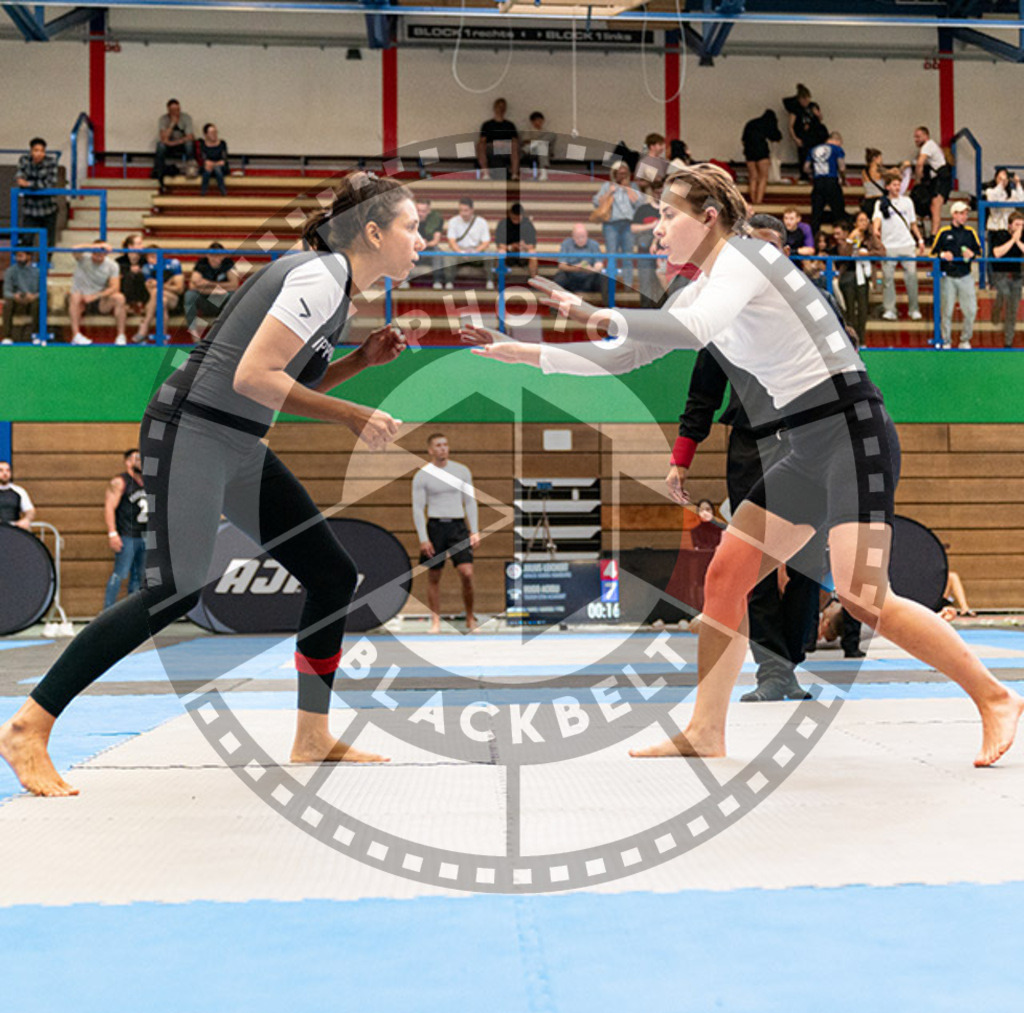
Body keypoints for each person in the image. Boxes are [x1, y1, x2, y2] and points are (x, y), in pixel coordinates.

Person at [464, 162, 1023, 768]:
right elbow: (624, 357)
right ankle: (707, 729)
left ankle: (995, 697)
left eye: (667, 215)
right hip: (803, 444)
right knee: (726, 577)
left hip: (852, 432)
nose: (655, 229)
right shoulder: (697, 287)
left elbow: (692, 329)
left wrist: (592, 312)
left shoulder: (748, 257)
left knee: (863, 595)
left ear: (708, 219)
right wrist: (528, 353)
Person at [0, 171, 421, 796]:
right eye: (413, 227)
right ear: (374, 231)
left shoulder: (335, 292)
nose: (422, 240)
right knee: (174, 590)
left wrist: (361, 363)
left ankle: (310, 736)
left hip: (238, 441)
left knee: (331, 575)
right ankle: (28, 726)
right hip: (192, 431)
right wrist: (355, 416)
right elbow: (255, 376)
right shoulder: (317, 276)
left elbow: (273, 391)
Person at [672, 213, 821, 702]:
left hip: (808, 437)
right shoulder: (723, 307)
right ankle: (772, 672)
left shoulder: (812, 302)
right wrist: (682, 457)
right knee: (749, 557)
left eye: (772, 248)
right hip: (750, 444)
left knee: (807, 558)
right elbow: (701, 393)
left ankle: (791, 657)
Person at [412, 433, 480, 634]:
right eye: (438, 446)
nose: (443, 448)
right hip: (435, 527)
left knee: (467, 573)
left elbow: (470, 501)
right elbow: (417, 508)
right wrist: (423, 539)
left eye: (445, 445)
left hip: (458, 527)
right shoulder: (422, 475)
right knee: (434, 575)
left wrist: (474, 530)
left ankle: (470, 618)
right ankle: (435, 621)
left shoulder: (461, 471)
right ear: (430, 450)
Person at [873, 170, 926, 322]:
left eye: (899, 184)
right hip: (889, 246)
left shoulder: (907, 202)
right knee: (888, 279)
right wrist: (876, 229)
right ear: (888, 186)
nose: (897, 187)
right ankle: (890, 309)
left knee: (911, 277)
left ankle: (914, 308)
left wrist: (920, 240)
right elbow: (877, 219)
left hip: (907, 245)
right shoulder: (880, 203)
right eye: (894, 185)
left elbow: (913, 223)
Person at [931, 200, 982, 350]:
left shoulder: (970, 233)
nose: (965, 216)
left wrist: (971, 254)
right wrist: (943, 254)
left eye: (966, 214)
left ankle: (965, 339)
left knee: (971, 310)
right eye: (961, 213)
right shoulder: (943, 232)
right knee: (946, 311)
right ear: (954, 214)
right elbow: (932, 253)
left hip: (966, 276)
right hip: (948, 277)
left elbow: (980, 254)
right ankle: (945, 340)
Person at [102, 449, 149, 610]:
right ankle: (107, 611)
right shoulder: (120, 482)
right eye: (137, 459)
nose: (141, 462)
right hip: (127, 535)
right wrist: (112, 533)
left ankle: (133, 613)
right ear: (128, 462)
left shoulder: (148, 481)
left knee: (139, 577)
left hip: (145, 535)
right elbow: (109, 507)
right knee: (120, 573)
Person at [837, 211, 884, 347]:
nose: (863, 223)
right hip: (848, 275)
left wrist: (868, 253)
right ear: (855, 223)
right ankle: (852, 340)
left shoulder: (871, 238)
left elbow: (882, 252)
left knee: (863, 310)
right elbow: (844, 254)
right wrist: (851, 239)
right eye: (861, 220)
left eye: (866, 220)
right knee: (850, 310)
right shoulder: (849, 236)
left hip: (864, 277)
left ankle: (862, 340)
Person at [68, 240, 128, 346]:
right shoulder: (83, 258)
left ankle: (121, 336)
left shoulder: (112, 265)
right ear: (92, 251)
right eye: (96, 251)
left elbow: (115, 287)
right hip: (79, 298)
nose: (99, 254)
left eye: (102, 251)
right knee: (75, 295)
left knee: (120, 298)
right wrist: (95, 246)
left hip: (98, 299)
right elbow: (75, 249)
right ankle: (76, 335)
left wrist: (95, 296)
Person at [592, 162, 642, 281]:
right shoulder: (607, 185)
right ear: (614, 174)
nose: (622, 176)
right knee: (611, 255)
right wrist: (610, 191)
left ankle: (628, 284)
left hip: (628, 225)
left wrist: (628, 189)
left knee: (627, 256)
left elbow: (640, 203)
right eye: (620, 174)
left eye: (625, 174)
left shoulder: (633, 186)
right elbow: (596, 202)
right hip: (611, 225)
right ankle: (610, 283)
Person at [184, 241, 241, 339]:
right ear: (207, 255)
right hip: (206, 301)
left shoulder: (228, 263)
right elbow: (192, 286)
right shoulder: (202, 263)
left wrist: (208, 284)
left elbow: (234, 285)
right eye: (212, 255)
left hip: (221, 301)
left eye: (218, 255)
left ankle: (230, 334)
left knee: (233, 295)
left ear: (223, 256)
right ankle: (194, 333)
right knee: (190, 295)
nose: (215, 258)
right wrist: (214, 290)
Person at [133, 245, 186, 343]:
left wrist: (159, 284)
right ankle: (163, 338)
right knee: (161, 300)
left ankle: (144, 326)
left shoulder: (173, 264)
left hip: (174, 300)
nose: (154, 259)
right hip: (158, 301)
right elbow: (150, 291)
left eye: (155, 255)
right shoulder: (147, 268)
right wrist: (169, 283)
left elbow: (179, 289)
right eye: (150, 257)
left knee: (157, 292)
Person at [15, 138, 60, 252]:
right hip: (30, 208)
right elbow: (20, 179)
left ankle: (47, 265)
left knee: (49, 241)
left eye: (42, 151)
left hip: (48, 208)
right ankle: (26, 265)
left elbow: (50, 183)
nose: (39, 153)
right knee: (26, 239)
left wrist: (29, 184)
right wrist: (34, 185)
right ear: (31, 151)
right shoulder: (24, 160)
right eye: (36, 150)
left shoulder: (51, 162)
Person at [989, 208, 1024, 348]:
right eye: (1017, 225)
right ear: (1009, 225)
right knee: (1004, 293)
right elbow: (997, 253)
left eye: (1022, 225)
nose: (1020, 228)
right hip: (1000, 274)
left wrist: (1018, 241)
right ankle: (996, 311)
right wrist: (1013, 240)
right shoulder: (1001, 234)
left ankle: (1008, 341)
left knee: (1012, 309)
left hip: (1017, 275)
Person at [443, 197, 492, 290]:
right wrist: (460, 252)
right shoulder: (453, 221)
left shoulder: (482, 222)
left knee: (489, 254)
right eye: (461, 210)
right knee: (448, 254)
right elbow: (451, 241)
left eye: (466, 210)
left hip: (476, 251)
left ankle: (490, 281)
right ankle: (449, 282)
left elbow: (486, 242)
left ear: (472, 210)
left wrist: (475, 251)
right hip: (459, 251)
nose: (463, 213)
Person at [913, 126, 952, 241]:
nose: (916, 139)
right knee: (932, 207)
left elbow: (920, 164)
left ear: (926, 136)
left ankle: (934, 235)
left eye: (918, 136)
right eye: (915, 137)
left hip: (942, 178)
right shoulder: (929, 146)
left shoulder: (928, 145)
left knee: (935, 206)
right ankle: (935, 233)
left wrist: (917, 181)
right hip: (936, 179)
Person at [806, 131, 847, 237]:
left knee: (816, 214)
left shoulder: (813, 149)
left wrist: (813, 174)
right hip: (832, 182)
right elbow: (842, 167)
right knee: (839, 212)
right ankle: (841, 237)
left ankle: (815, 239)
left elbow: (806, 168)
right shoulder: (837, 149)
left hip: (818, 183)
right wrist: (843, 179)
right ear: (838, 141)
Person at [783, 84, 827, 180]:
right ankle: (805, 176)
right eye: (803, 100)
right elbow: (790, 126)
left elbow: (820, 120)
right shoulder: (795, 109)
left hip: (815, 136)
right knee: (804, 157)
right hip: (803, 137)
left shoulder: (813, 106)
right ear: (799, 99)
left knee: (818, 157)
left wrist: (818, 114)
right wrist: (795, 138)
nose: (806, 102)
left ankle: (818, 175)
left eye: (807, 99)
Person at [553, 223, 606, 299]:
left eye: (583, 237)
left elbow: (599, 265)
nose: (581, 239)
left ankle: (609, 307)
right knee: (559, 277)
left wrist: (591, 269)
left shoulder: (594, 245)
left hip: (589, 277)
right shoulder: (566, 244)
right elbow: (561, 265)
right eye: (578, 237)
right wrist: (575, 268)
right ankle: (555, 307)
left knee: (604, 278)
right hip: (571, 277)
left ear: (587, 235)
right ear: (573, 236)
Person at [153, 99, 196, 191]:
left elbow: (190, 137)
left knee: (189, 144)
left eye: (177, 110)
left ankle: (191, 170)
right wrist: (172, 124)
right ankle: (159, 174)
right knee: (160, 146)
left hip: (181, 144)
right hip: (168, 145)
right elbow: (163, 138)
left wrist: (174, 142)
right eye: (173, 110)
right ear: (168, 110)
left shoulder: (186, 118)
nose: (176, 112)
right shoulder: (163, 119)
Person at [741, 110, 782, 206]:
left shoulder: (751, 123)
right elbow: (776, 137)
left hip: (749, 152)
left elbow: (743, 140)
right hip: (762, 152)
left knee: (753, 178)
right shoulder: (768, 124)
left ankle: (752, 201)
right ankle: (758, 202)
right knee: (763, 177)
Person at [1, 249, 40, 344]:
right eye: (17, 256)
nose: (18, 259)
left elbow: (43, 291)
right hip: (17, 302)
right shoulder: (10, 271)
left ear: (28, 256)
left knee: (38, 302)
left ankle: (36, 335)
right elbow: (6, 291)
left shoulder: (37, 272)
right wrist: (14, 296)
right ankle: (7, 336)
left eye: (21, 256)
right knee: (7, 303)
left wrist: (34, 296)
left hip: (32, 301)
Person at [477, 97, 519, 181]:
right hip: (491, 147)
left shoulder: (510, 125)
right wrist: (495, 143)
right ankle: (486, 173)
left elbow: (515, 140)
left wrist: (505, 143)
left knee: (514, 146)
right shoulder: (487, 124)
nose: (501, 109)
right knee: (480, 146)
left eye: (503, 107)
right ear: (494, 108)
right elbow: (482, 140)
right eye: (499, 106)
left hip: (506, 147)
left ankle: (514, 174)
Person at [494, 202, 538, 279]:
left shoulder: (528, 224)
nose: (516, 221)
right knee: (500, 252)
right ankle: (500, 281)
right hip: (508, 252)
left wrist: (524, 246)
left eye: (518, 218)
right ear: (510, 214)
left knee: (533, 253)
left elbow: (532, 245)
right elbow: (500, 244)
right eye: (514, 218)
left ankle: (534, 280)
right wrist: (511, 247)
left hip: (523, 253)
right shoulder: (503, 224)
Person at [409, 197, 444, 289]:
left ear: (429, 211)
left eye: (423, 211)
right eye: (418, 210)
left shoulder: (436, 219)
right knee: (404, 250)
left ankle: (437, 281)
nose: (420, 214)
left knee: (438, 252)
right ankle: (405, 281)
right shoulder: (409, 220)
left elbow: (435, 241)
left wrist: (425, 244)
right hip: (414, 249)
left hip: (429, 249)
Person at [116, 233, 150, 316]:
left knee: (140, 275)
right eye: (139, 244)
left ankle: (141, 304)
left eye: (142, 243)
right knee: (129, 275)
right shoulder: (120, 261)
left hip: (141, 289)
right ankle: (130, 304)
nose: (142, 246)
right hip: (125, 289)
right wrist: (127, 270)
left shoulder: (145, 260)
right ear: (130, 246)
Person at [521, 111, 556, 181]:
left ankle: (536, 144)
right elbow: (525, 141)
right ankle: (543, 174)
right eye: (537, 121)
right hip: (532, 151)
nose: (539, 123)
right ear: (532, 122)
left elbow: (551, 144)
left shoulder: (545, 132)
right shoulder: (529, 130)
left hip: (540, 150)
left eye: (540, 121)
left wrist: (536, 141)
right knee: (542, 146)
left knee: (552, 135)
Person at [0, 461, 35, 530]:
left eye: (8, 470)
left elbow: (30, 511)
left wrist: (26, 519)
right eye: (1, 470)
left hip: (15, 532)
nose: (5, 473)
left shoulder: (19, 491)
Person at [199, 123, 229, 197]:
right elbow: (204, 160)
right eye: (212, 133)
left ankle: (223, 192)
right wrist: (212, 164)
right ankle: (203, 193)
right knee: (207, 170)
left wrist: (213, 164)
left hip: (221, 168)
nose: (214, 134)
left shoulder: (222, 143)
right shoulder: (202, 145)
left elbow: (223, 160)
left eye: (215, 132)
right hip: (208, 168)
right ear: (206, 134)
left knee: (217, 169)